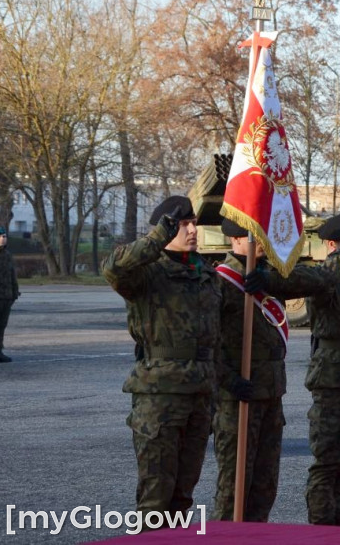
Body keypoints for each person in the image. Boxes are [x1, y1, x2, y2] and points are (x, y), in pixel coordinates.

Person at [247, 212, 340, 526]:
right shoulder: (325, 277)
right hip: (335, 387)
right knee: (327, 466)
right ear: (333, 244)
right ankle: (322, 533)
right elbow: (297, 281)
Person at [101, 195, 221, 523]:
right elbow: (112, 267)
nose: (193, 230)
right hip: (160, 398)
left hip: (200, 394)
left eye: (194, 223)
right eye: (183, 225)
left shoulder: (206, 274)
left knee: (183, 497)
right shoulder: (147, 273)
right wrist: (156, 238)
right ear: (167, 229)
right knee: (156, 497)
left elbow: (216, 336)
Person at [210, 218, 288, 521]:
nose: (260, 241)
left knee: (264, 486)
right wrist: (228, 380)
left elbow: (312, 280)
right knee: (234, 488)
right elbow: (205, 341)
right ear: (235, 239)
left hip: (270, 393)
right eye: (253, 236)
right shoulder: (220, 280)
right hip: (238, 398)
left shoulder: (269, 276)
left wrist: (268, 280)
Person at [0, 225, 20, 363]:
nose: (2, 239)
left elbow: (12, 275)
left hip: (6, 296)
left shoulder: (7, 255)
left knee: (1, 326)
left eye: (4, 236)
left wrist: (14, 292)